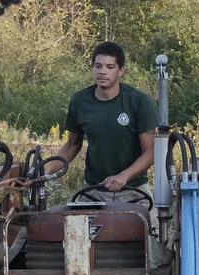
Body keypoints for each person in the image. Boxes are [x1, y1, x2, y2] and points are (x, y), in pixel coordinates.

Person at [55, 42, 158, 204]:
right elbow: (72, 145)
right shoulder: (79, 100)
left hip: (134, 191)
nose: (103, 71)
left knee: (150, 228)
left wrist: (124, 176)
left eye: (110, 67)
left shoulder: (139, 101)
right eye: (98, 66)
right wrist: (46, 170)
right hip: (94, 190)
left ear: (121, 71)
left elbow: (151, 152)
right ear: (93, 68)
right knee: (72, 227)